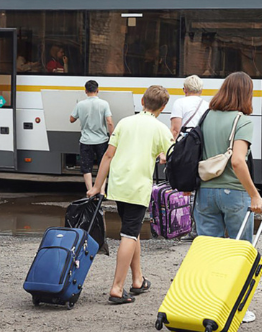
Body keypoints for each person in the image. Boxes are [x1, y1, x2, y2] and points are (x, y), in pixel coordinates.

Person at [87, 85, 174, 304]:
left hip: (119, 185)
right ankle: (116, 288)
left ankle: (138, 280)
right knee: (128, 234)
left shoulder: (125, 123)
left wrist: (98, 186)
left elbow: (108, 155)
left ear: (142, 102)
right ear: (163, 107)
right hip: (137, 187)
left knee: (132, 231)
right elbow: (173, 157)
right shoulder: (160, 128)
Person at [196, 71, 262, 323]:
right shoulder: (242, 120)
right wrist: (254, 194)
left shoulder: (207, 117)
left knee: (208, 253)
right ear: (246, 94)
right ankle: (238, 309)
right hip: (234, 194)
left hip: (205, 192)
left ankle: (207, 304)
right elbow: (237, 160)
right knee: (239, 253)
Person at [170, 75, 209, 242]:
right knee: (199, 183)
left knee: (185, 184)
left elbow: (175, 129)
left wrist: (168, 150)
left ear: (184, 89)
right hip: (201, 146)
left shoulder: (180, 103)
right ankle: (198, 227)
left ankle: (185, 225)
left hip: (186, 147)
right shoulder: (207, 104)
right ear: (200, 90)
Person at [70, 80, 114, 195]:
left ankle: (90, 191)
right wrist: (112, 136)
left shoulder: (80, 104)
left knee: (86, 167)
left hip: (86, 141)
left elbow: (71, 119)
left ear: (85, 91)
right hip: (102, 141)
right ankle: (102, 191)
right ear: (97, 90)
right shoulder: (104, 104)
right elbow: (109, 122)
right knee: (102, 166)